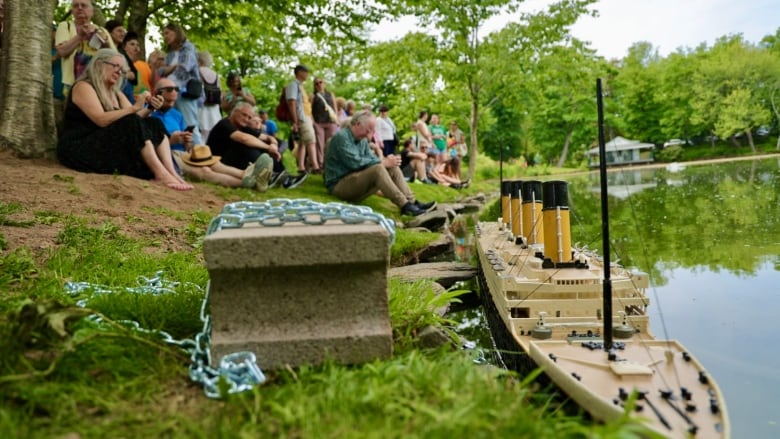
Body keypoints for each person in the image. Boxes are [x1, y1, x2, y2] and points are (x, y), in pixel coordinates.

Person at [56, 48, 192, 191]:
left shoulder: (116, 92)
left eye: (121, 69)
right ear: (98, 65)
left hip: (105, 146)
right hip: (80, 147)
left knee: (155, 123)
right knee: (131, 121)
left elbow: (136, 121)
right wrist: (134, 108)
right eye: (115, 66)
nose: (119, 72)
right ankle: (161, 174)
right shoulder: (84, 86)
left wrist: (150, 108)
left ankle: (171, 172)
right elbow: (101, 119)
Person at [149, 78, 271, 191]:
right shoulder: (149, 114)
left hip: (184, 153)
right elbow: (147, 144)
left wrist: (187, 140)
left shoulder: (177, 114)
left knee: (216, 164)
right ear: (157, 93)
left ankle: (251, 175)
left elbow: (187, 146)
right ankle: (247, 183)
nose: (172, 100)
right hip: (166, 156)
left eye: (175, 96)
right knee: (204, 170)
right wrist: (171, 141)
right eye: (168, 96)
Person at [323, 111, 436, 217]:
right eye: (368, 130)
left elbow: (371, 159)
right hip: (339, 186)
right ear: (357, 124)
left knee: (391, 167)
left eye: (372, 131)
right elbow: (354, 163)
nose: (370, 134)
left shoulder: (362, 140)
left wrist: (388, 160)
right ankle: (404, 205)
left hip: (355, 181)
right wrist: (382, 162)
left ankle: (411, 202)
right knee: (378, 168)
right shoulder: (342, 137)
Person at [55, 0, 115, 97]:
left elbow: (114, 57)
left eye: (83, 5)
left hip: (98, 85)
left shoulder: (102, 31)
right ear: (72, 11)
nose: (79, 8)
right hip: (72, 84)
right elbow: (62, 51)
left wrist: (105, 43)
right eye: (75, 6)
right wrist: (79, 36)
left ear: (92, 12)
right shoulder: (65, 26)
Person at [206, 102, 283, 177]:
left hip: (232, 160)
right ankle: (269, 174)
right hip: (217, 163)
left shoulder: (243, 126)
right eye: (244, 115)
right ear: (234, 112)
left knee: (262, 144)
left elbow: (267, 137)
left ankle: (280, 173)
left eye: (249, 117)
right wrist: (268, 147)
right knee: (247, 146)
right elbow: (244, 139)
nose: (246, 119)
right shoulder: (225, 124)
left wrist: (273, 144)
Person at [160, 23, 202, 144]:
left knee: (190, 125)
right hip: (170, 92)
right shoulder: (170, 53)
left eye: (167, 33)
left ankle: (199, 154)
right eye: (163, 34)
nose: (165, 36)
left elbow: (184, 68)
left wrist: (169, 69)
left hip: (184, 92)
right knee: (174, 123)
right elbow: (161, 71)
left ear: (176, 32)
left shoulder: (188, 47)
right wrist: (173, 67)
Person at [285, 64, 320, 175]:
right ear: (299, 72)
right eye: (305, 72)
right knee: (311, 140)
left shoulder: (300, 86)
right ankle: (315, 166)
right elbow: (292, 102)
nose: (307, 74)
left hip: (306, 116)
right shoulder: (293, 85)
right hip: (301, 117)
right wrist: (295, 120)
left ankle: (301, 167)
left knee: (302, 143)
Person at [311, 77, 339, 168]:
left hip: (331, 121)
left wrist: (336, 119)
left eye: (320, 82)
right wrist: (313, 122)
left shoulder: (330, 94)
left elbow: (335, 108)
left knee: (330, 143)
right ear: (314, 86)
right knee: (320, 144)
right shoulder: (313, 96)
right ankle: (321, 164)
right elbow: (310, 110)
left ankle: (330, 163)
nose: (319, 84)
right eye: (316, 83)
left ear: (324, 83)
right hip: (319, 122)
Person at [197, 51, 221, 140]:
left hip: (202, 107)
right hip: (214, 109)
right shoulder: (216, 75)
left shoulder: (197, 72)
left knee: (202, 133)